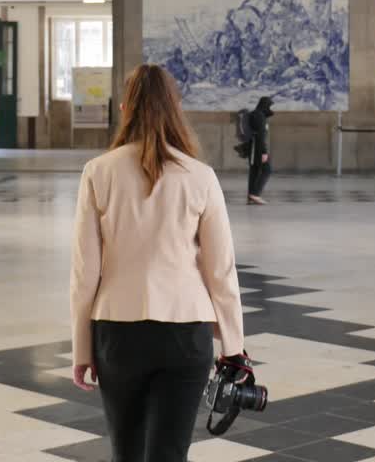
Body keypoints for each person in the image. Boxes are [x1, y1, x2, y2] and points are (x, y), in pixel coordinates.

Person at [70, 64, 247, 462]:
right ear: (175, 109)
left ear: (123, 109)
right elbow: (220, 273)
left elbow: (86, 273)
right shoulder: (200, 177)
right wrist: (233, 347)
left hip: (117, 333)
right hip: (185, 333)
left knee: (126, 452)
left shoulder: (98, 173)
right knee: (169, 454)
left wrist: (82, 348)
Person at [247, 96, 273, 205]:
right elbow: (261, 136)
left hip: (252, 147)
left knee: (254, 170)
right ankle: (255, 194)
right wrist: (264, 152)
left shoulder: (254, 114)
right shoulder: (259, 116)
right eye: (269, 105)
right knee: (267, 169)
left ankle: (251, 195)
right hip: (257, 148)